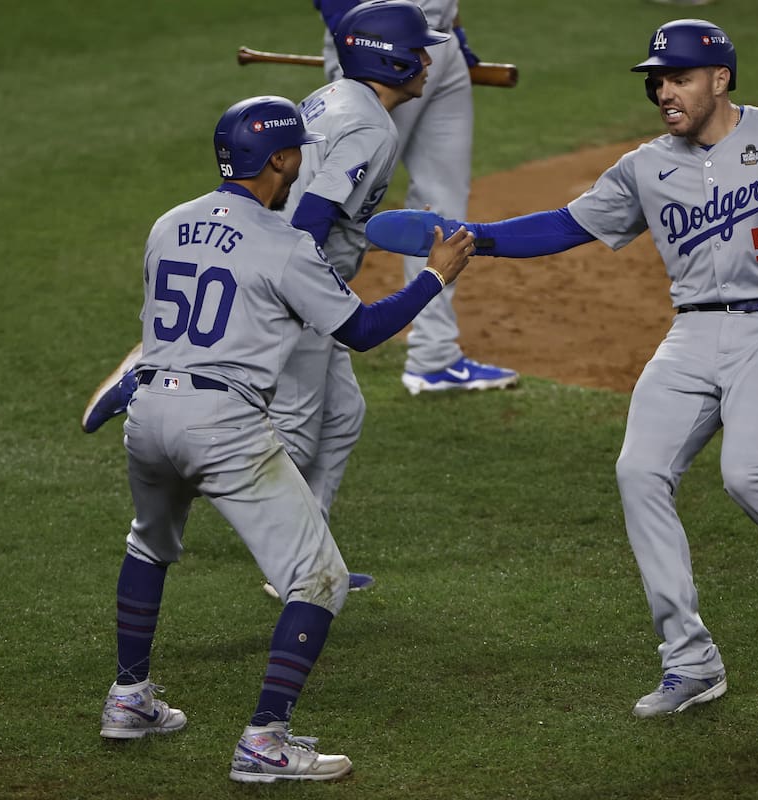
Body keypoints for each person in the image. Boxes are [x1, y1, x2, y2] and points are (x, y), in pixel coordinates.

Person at [364, 18, 758, 716]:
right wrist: (474, 237)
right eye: (656, 79)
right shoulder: (645, 166)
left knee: (749, 474)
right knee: (638, 471)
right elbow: (563, 226)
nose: (664, 90)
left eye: (679, 76)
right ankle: (690, 659)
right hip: (690, 335)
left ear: (720, 79)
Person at [97, 93, 475, 785]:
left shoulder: (167, 224)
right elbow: (360, 331)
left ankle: (128, 699)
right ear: (279, 159)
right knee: (320, 579)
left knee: (148, 543)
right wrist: (435, 275)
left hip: (150, 411)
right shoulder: (284, 245)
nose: (305, 161)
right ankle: (265, 742)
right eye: (298, 150)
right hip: (222, 426)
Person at [81, 0, 453, 592]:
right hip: (294, 289)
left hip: (286, 271)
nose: (432, 59)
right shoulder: (368, 126)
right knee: (297, 428)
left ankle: (313, 557)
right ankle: (297, 572)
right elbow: (310, 218)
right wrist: (301, 284)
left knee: (345, 415)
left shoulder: (332, 95)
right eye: (421, 49)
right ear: (393, 59)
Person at [315, 0, 519, 395]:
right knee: (343, 205)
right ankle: (296, 334)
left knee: (443, 200)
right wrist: (350, 38)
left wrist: (453, 32)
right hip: (381, 45)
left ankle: (434, 356)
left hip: (436, 40)